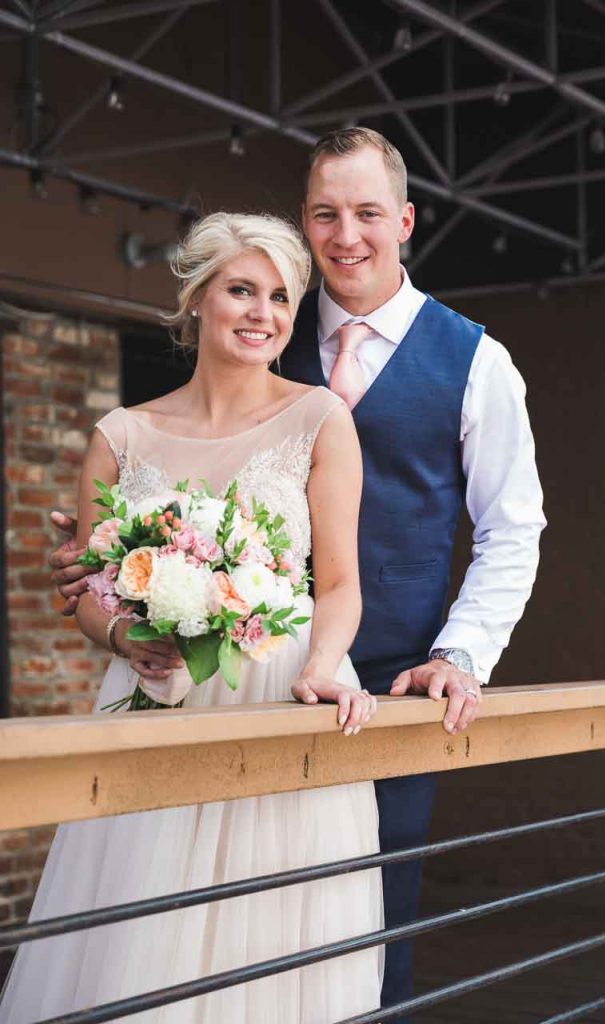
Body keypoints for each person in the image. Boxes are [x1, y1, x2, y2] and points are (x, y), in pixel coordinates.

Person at [49, 128, 546, 1019]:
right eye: (325, 214)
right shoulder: (264, 329)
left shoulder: (477, 361)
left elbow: (512, 530)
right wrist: (116, 552)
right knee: (175, 925)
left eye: (366, 214)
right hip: (200, 682)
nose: (345, 236)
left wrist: (460, 655)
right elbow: (178, 473)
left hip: (382, 683)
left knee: (361, 928)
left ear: (405, 221)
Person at [1, 213, 384, 1022]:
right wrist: (124, 635)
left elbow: (341, 584)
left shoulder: (321, 420)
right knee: (141, 934)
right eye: (242, 290)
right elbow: (91, 591)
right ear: (198, 298)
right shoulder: (120, 436)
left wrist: (322, 668)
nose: (262, 313)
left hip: (281, 696)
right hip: (154, 700)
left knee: (276, 938)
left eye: (280, 297)